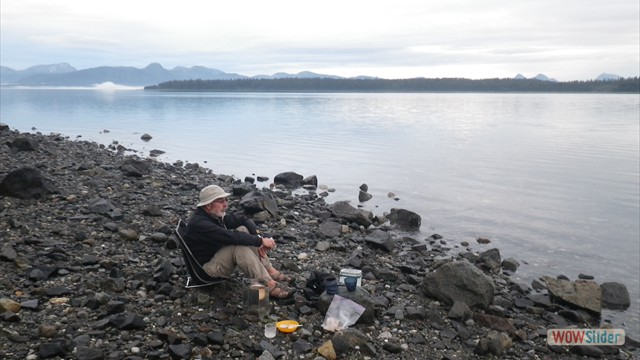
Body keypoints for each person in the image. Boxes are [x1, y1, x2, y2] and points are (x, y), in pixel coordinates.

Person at [185, 184, 296, 299]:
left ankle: (269, 270)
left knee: (243, 229)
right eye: (221, 201)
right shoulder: (200, 223)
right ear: (208, 205)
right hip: (207, 271)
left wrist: (257, 237)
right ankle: (268, 285)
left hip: (215, 256)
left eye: (226, 200)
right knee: (239, 247)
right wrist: (260, 241)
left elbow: (242, 219)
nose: (225, 204)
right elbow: (230, 236)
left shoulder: (211, 214)